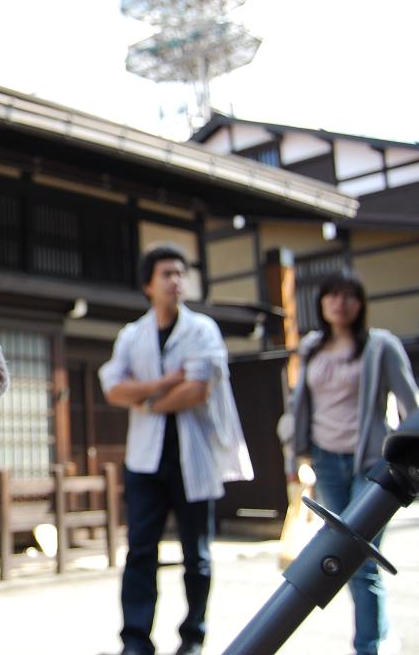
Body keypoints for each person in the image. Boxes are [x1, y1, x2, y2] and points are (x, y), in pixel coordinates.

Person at [282, 270, 419, 655]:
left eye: (348, 296)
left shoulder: (381, 346)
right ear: (321, 303)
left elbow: (412, 404)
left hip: (372, 464)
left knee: (360, 555)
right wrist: (294, 457)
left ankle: (369, 646)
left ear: (360, 303)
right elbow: (298, 408)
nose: (340, 303)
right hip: (325, 460)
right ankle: (380, 636)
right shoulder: (310, 348)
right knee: (345, 558)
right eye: (332, 296)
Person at [100, 244, 253, 655]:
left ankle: (193, 638)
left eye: (180, 273)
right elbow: (112, 386)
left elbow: (198, 389)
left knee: (197, 554)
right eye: (166, 274)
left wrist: (145, 398)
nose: (176, 281)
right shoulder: (132, 335)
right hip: (145, 461)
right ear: (148, 285)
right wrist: (165, 383)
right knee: (141, 552)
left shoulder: (202, 329)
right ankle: (135, 640)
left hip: (193, 458)